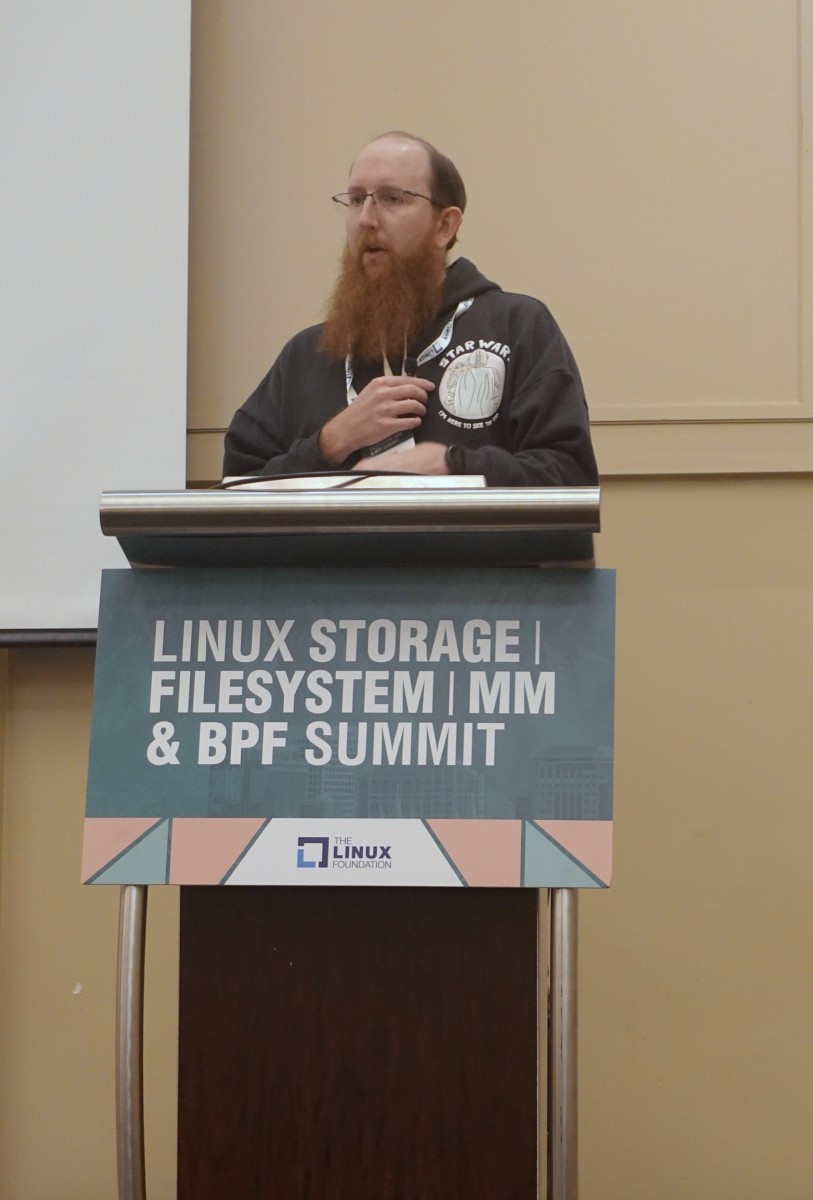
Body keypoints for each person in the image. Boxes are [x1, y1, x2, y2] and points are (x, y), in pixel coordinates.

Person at [223, 132, 598, 487]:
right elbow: (238, 491)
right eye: (356, 200)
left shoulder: (517, 327)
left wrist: (452, 466)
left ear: (444, 226)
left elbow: (570, 476)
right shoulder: (306, 355)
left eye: (392, 199)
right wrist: (329, 443)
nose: (366, 219)